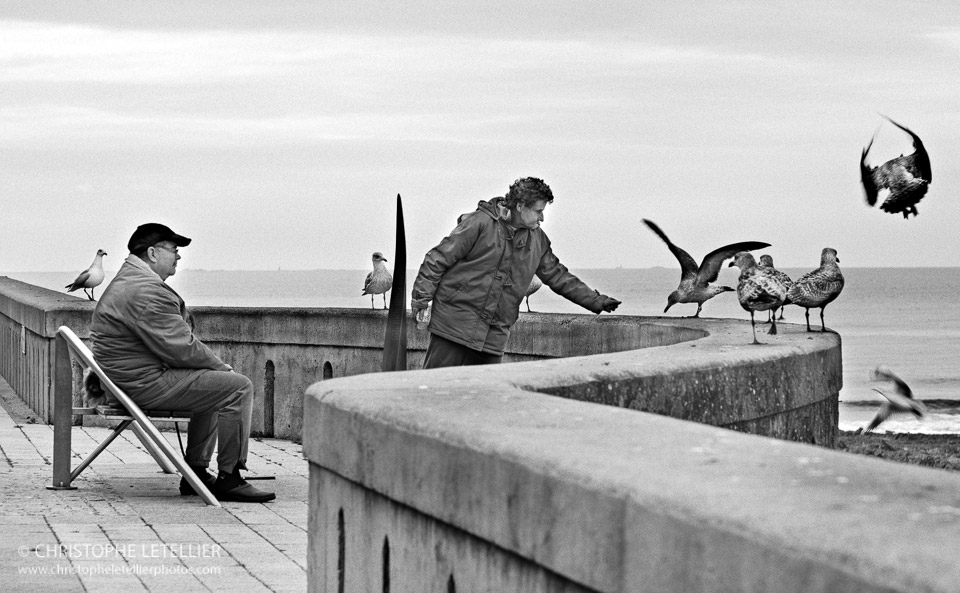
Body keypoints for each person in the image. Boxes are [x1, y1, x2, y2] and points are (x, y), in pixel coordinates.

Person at [90, 223, 275, 503]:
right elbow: (182, 348)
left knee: (216, 384)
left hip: (127, 379)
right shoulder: (144, 291)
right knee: (236, 387)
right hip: (143, 384)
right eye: (174, 250)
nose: (178, 256)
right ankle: (230, 477)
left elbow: (175, 346)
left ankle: (196, 473)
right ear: (152, 253)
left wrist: (212, 368)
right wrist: (222, 367)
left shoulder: (130, 282)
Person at [411, 177, 621, 368]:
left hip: (494, 336)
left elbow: (558, 275)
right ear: (520, 206)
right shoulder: (479, 223)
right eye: (539, 211)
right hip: (453, 326)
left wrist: (596, 301)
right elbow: (437, 259)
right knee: (435, 393)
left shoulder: (538, 240)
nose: (542, 217)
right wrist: (422, 300)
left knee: (488, 400)